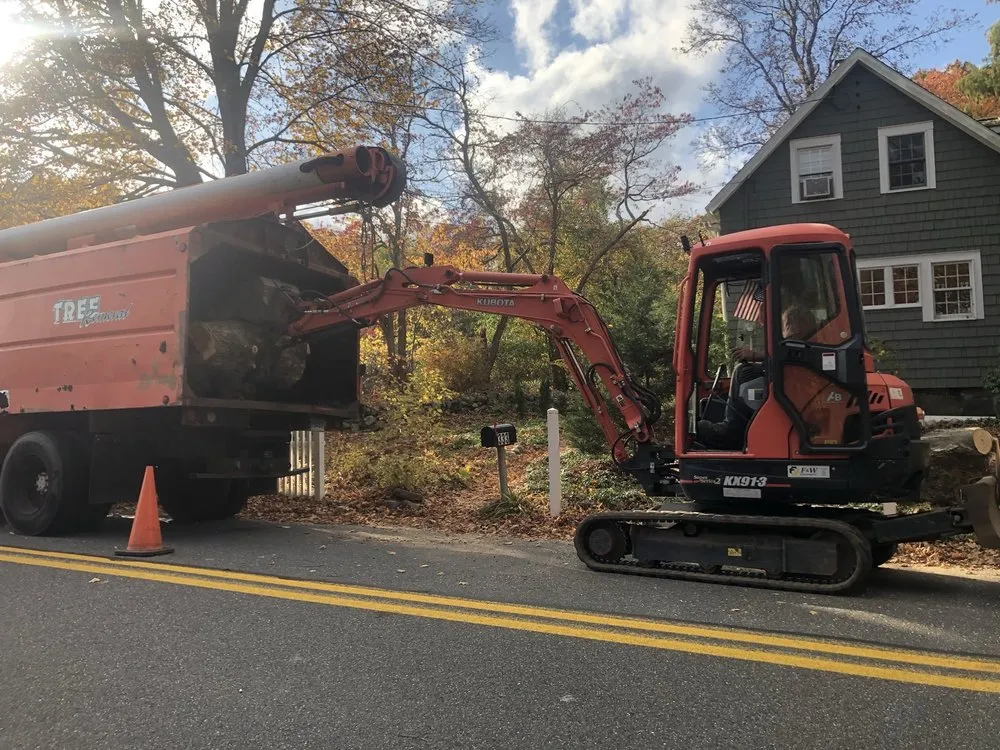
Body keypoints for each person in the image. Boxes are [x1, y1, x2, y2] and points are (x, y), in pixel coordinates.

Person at [696, 299, 816, 448]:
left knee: (743, 371)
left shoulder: (797, 343)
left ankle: (732, 430)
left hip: (790, 389)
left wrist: (755, 356)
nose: (781, 328)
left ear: (793, 324)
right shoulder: (808, 342)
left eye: (783, 323)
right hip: (788, 382)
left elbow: (786, 357)